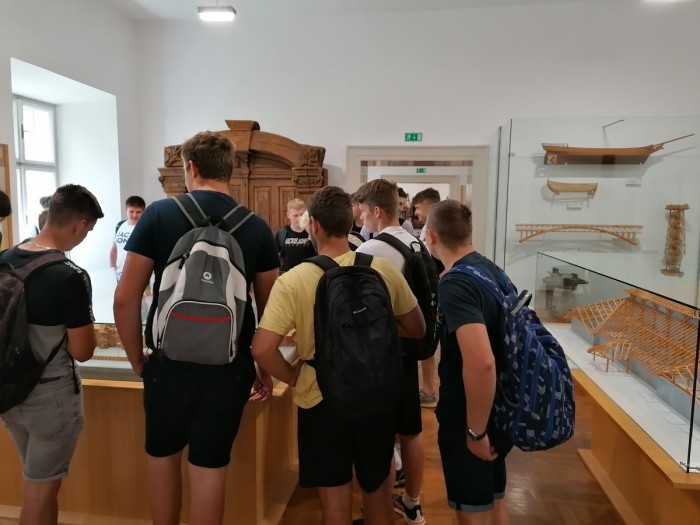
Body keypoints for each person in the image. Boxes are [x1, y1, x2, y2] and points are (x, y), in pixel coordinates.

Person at [113, 131, 280, 525]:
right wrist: (263, 370)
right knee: (209, 468)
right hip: (229, 368)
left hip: (167, 366)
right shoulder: (256, 226)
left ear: (190, 167)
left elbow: (124, 299)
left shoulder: (158, 215)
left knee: (162, 457)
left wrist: (138, 360)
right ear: (229, 170)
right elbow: (271, 312)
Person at [251, 186, 425, 525]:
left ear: (314, 225)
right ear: (350, 223)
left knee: (334, 494)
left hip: (321, 397)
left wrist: (294, 376)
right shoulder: (382, 269)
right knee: (377, 491)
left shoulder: (293, 280)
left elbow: (261, 349)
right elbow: (416, 327)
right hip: (376, 392)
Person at [0, 184, 103, 525]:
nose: (84, 237)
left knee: (40, 482)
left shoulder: (5, 259)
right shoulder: (69, 276)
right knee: (39, 493)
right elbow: (83, 351)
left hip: (10, 391)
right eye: (88, 230)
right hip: (50, 396)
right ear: (80, 224)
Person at [424, 200, 513, 525]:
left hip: (471, 412)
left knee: (472, 511)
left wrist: (475, 432)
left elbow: (482, 362)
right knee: (494, 500)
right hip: (500, 404)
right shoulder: (491, 269)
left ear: (432, 236)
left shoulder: (456, 282)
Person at [354, 179, 430, 525]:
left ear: (376, 210)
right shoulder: (416, 242)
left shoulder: (373, 250)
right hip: (412, 348)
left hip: (385, 353)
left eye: (363, 212)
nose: (361, 219)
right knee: (411, 430)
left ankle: (380, 510)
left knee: (381, 433)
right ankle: (412, 503)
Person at [412, 187, 443, 408]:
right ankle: (427, 388)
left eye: (418, 208)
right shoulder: (427, 228)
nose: (415, 213)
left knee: (429, 342)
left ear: (429, 206)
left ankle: (430, 391)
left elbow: (438, 264)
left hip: (435, 292)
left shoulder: (435, 229)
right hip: (431, 291)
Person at [110, 195, 146, 281]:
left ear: (144, 212)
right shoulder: (120, 225)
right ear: (126, 210)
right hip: (119, 272)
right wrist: (113, 267)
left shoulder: (146, 228)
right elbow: (114, 248)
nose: (134, 215)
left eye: (138, 212)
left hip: (138, 274)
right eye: (131, 211)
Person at [276, 198, 316, 272]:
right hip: (288, 274)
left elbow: (320, 251)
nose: (299, 218)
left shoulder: (312, 231)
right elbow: (275, 256)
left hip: (308, 273)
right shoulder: (282, 233)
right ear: (288, 215)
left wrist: (309, 232)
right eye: (295, 215)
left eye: (301, 215)